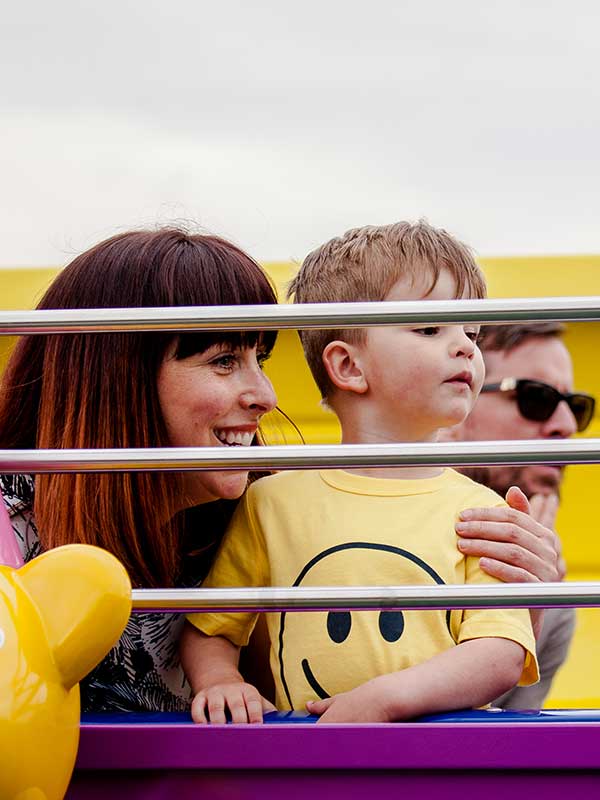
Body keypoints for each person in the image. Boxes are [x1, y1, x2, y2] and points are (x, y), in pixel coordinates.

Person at [181, 221, 540, 725]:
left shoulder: (483, 511)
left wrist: (384, 700)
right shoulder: (272, 502)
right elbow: (211, 627)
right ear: (348, 366)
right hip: (309, 764)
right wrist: (221, 681)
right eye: (430, 328)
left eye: (472, 331)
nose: (466, 347)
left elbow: (500, 652)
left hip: (438, 767)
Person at [0, 228, 280, 712]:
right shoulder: (9, 529)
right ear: (117, 379)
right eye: (224, 360)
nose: (266, 397)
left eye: (260, 357)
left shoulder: (250, 528)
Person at [443, 322, 595, 709]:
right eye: (536, 398)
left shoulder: (553, 600)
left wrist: (525, 609)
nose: (565, 426)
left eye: (576, 407)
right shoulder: (369, 520)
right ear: (457, 406)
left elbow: (489, 752)